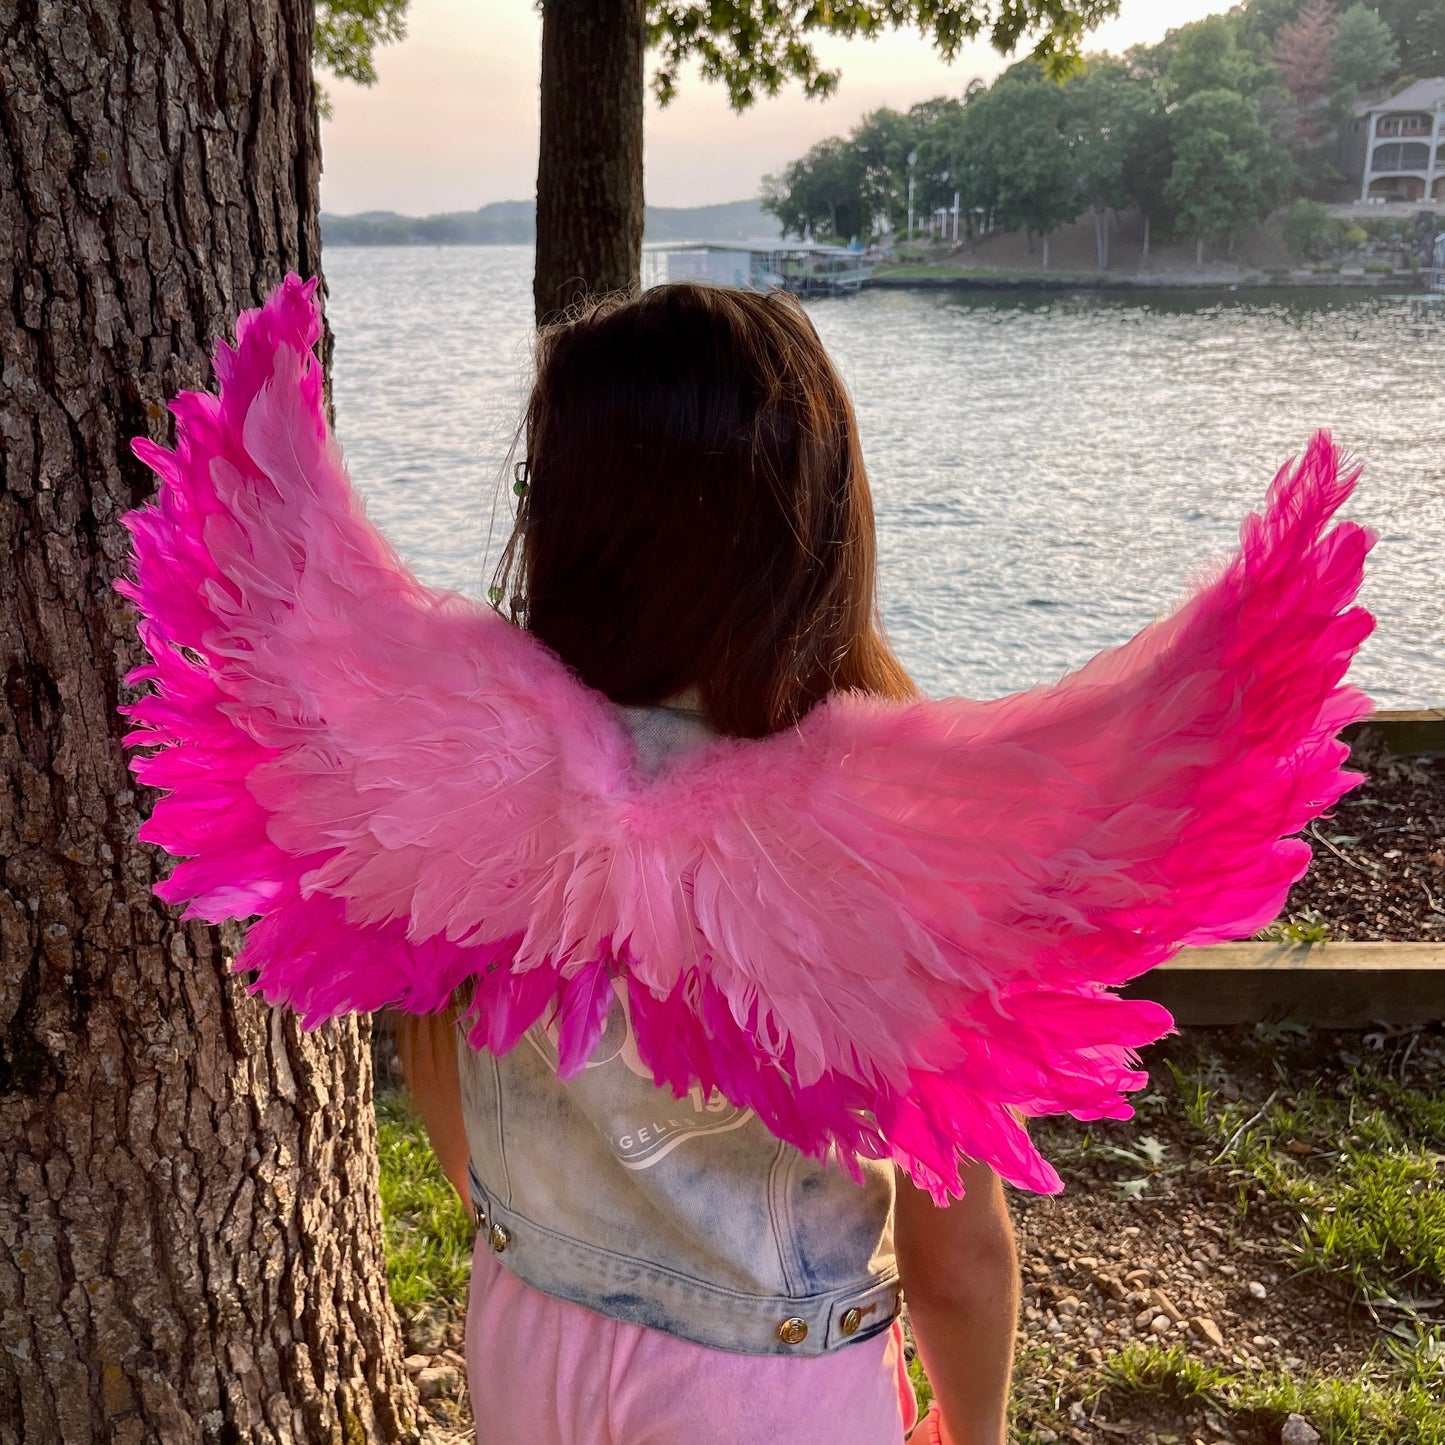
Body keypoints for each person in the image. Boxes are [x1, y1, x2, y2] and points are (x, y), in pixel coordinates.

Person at [121, 276, 1373, 1445]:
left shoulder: (468, 766)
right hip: (764, 1388)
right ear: (817, 525)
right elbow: (958, 1249)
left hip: (524, 1328)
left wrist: (545, 1241)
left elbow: (436, 1038)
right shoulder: (883, 836)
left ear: (563, 517)